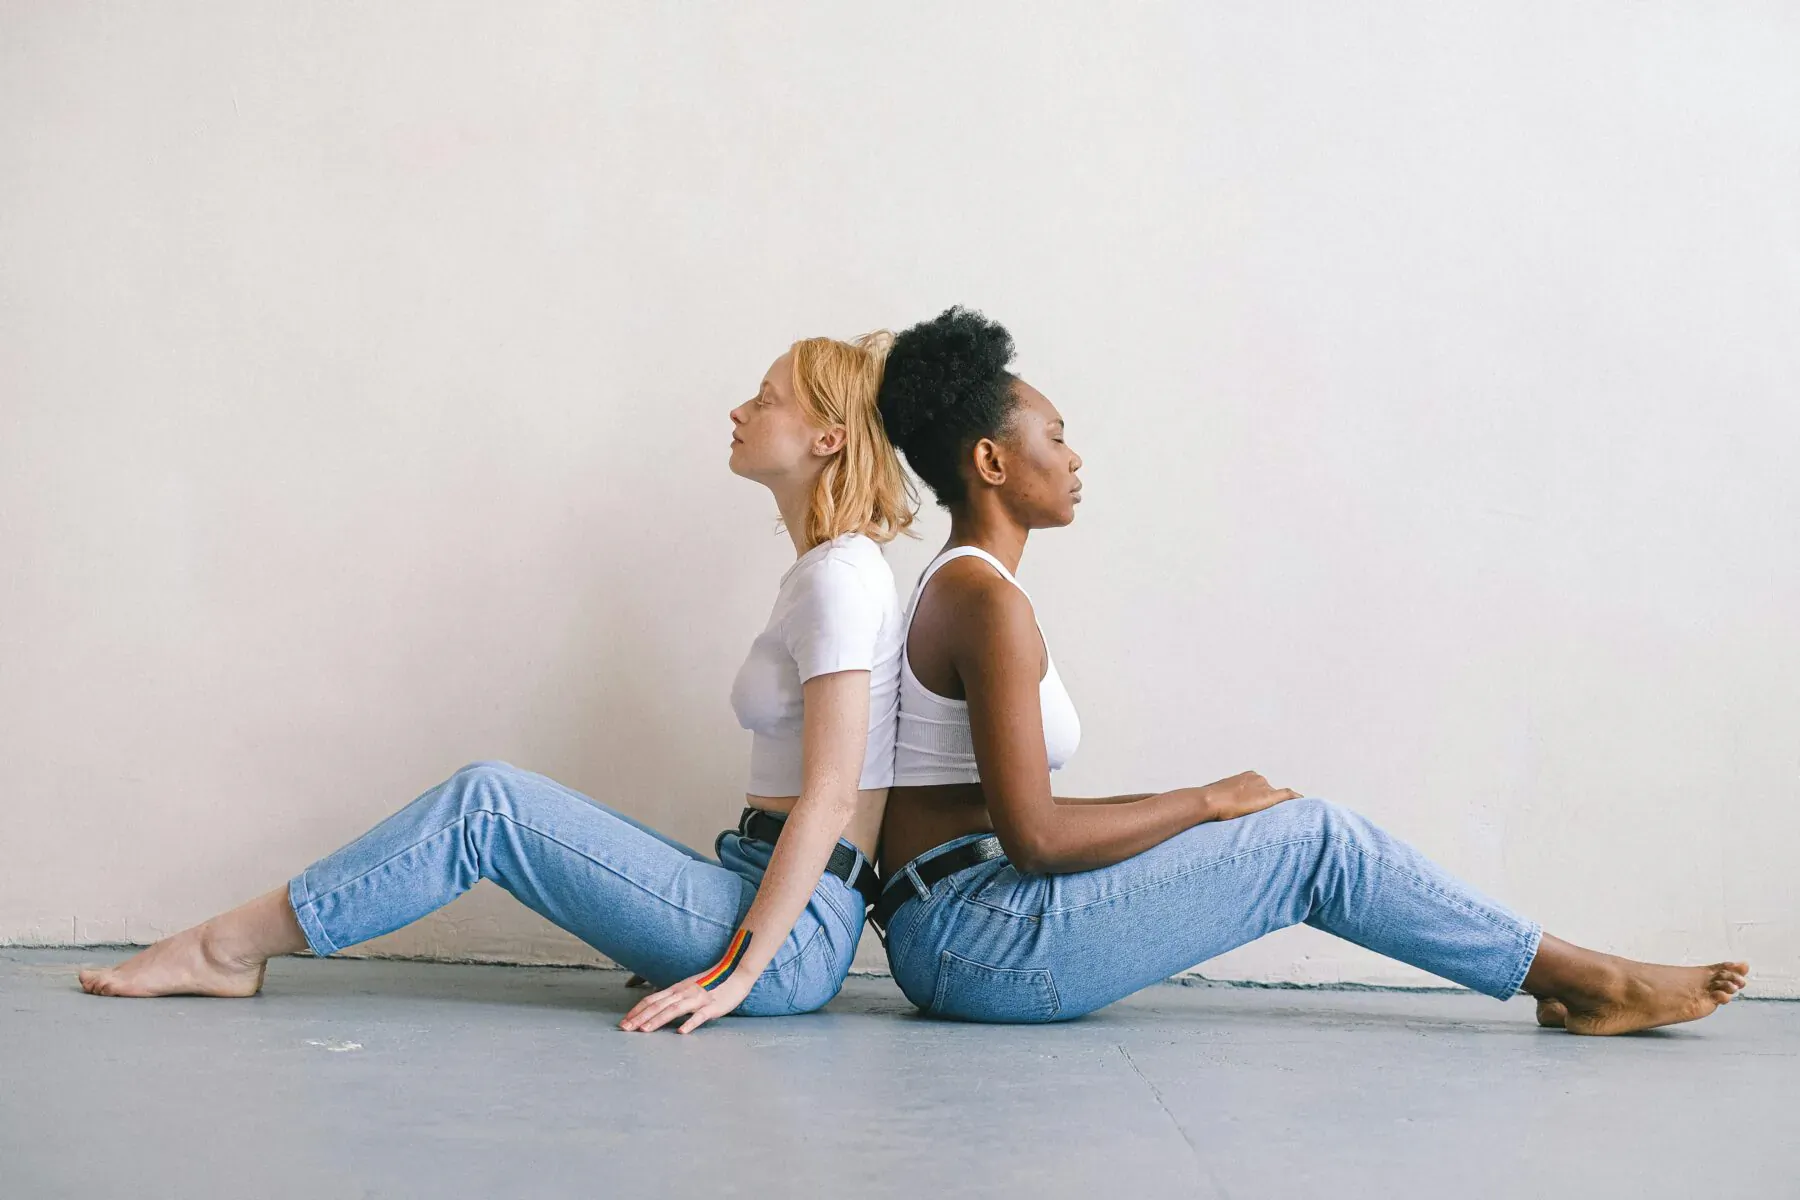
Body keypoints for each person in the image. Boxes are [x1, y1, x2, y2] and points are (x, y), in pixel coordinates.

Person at [865, 305, 1749, 1035]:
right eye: (1056, 437)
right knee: (1315, 843)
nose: (1074, 457)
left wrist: (1197, 810)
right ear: (992, 461)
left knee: (1281, 826)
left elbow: (1015, 817)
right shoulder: (986, 602)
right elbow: (1040, 841)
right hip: (979, 943)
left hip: (957, 923)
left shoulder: (964, 586)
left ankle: (1576, 977)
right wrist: (1204, 802)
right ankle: (1596, 981)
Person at [79, 330, 916, 1034]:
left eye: (766, 400)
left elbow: (832, 797)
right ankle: (227, 948)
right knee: (498, 801)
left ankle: (224, 948)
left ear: (827, 438)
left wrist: (738, 972)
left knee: (487, 807)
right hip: (758, 884)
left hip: (792, 937)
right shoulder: (827, 571)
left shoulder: (840, 579)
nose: (739, 411)